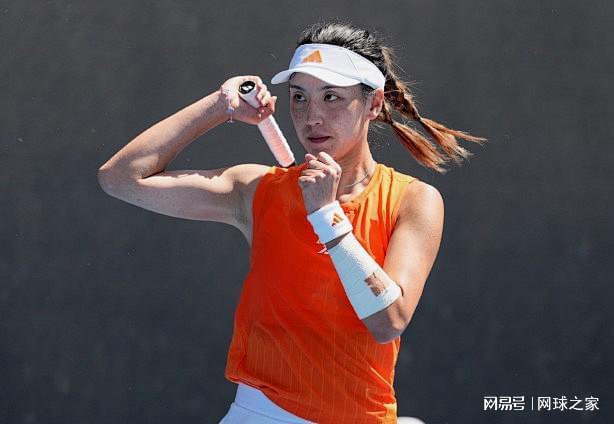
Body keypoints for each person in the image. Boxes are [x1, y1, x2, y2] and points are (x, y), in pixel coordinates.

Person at [98, 22, 485, 424]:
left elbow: (389, 321)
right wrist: (220, 106)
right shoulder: (255, 189)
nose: (312, 116)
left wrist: (326, 217)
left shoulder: (414, 200)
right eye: (299, 97)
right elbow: (120, 179)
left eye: (331, 97)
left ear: (373, 104)